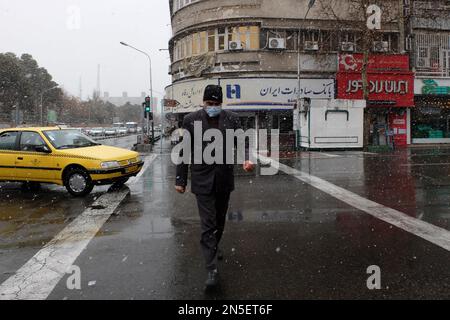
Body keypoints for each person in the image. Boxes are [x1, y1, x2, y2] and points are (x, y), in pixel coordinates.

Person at [175, 85, 255, 289]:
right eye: (209, 104)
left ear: (221, 104)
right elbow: (184, 151)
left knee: (219, 220)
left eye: (216, 104)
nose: (213, 107)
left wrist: (247, 159)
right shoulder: (190, 120)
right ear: (203, 103)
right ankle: (211, 270)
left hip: (224, 179)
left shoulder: (232, 119)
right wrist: (181, 179)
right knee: (208, 225)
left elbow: (242, 142)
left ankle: (215, 245)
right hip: (202, 179)